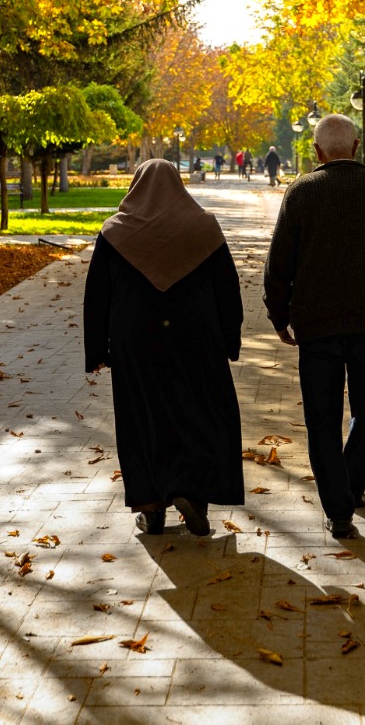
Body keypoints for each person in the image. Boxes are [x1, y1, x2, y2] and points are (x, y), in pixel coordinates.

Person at [263, 115, 365, 540]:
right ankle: (352, 483)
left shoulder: (301, 192)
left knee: (322, 420)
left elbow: (278, 265)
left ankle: (339, 509)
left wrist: (280, 317)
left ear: (318, 152)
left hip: (316, 325)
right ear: (356, 147)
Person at [83, 158, 245, 537]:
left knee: (141, 417)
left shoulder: (114, 232)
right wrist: (229, 339)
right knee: (196, 412)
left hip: (134, 340)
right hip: (196, 336)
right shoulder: (204, 227)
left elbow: (97, 297)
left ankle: (151, 507)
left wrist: (97, 351)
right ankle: (191, 492)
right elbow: (228, 288)